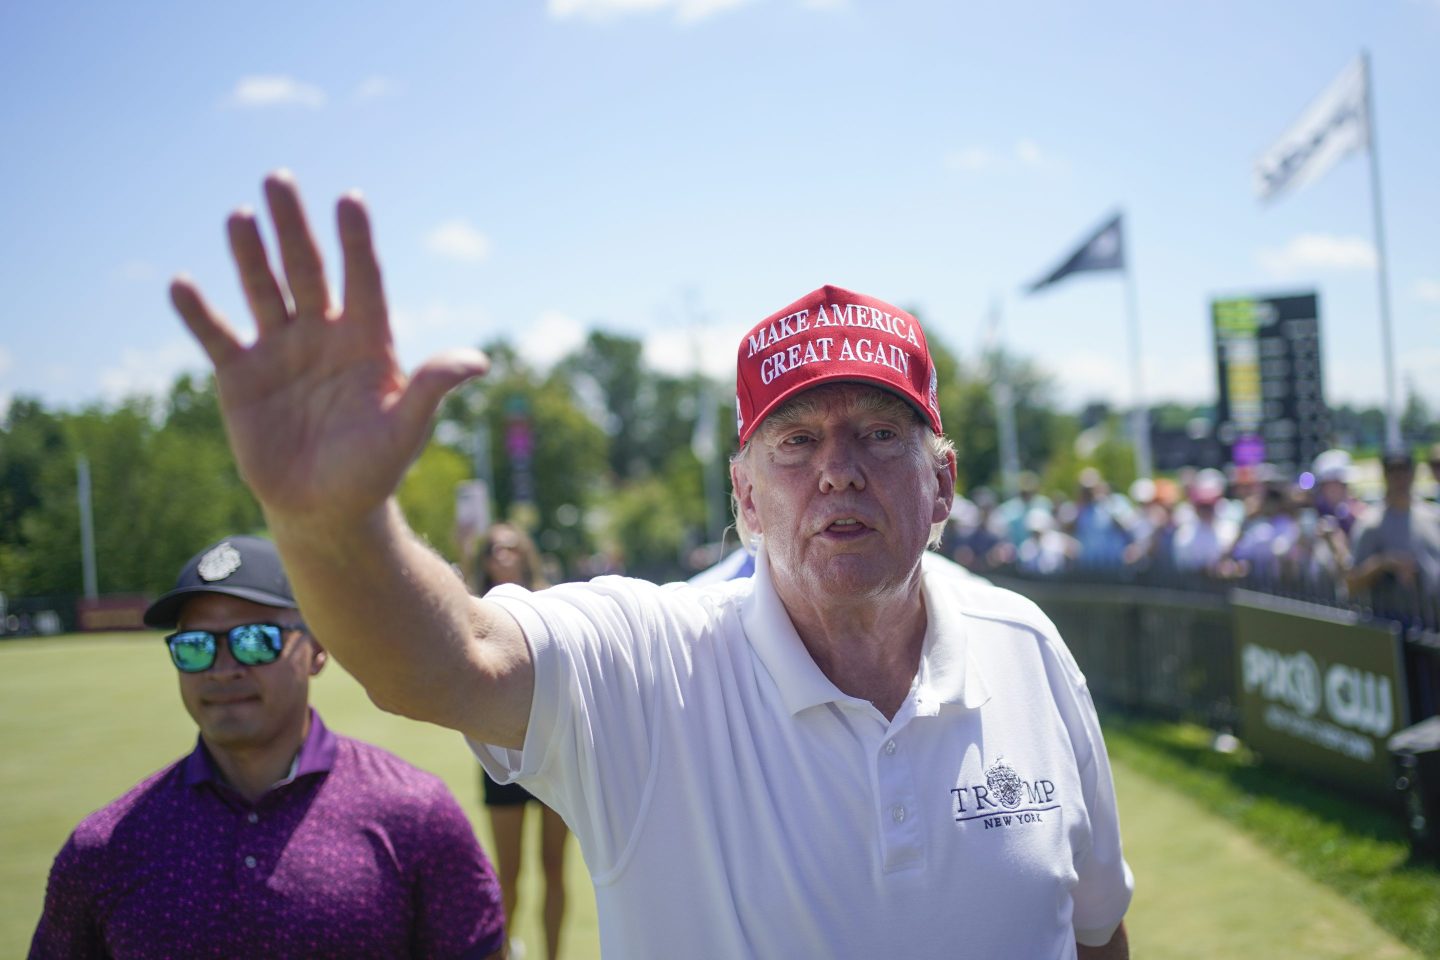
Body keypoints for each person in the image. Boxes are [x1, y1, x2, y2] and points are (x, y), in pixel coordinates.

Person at [168, 173, 1132, 958]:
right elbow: (443, 659)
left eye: (881, 434)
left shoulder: (1027, 650)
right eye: (794, 443)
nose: (837, 470)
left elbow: (1096, 937)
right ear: (745, 499)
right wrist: (329, 523)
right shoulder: (652, 663)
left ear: (943, 482)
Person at [29, 535, 506, 960]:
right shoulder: (105, 847)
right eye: (195, 645)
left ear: (316, 647)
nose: (222, 668)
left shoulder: (416, 815)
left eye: (254, 641)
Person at [472, 523, 568, 960]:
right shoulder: (472, 608)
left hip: (554, 749)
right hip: (500, 752)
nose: (505, 555)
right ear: (486, 558)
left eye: (512, 547)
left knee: (554, 867)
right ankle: (504, 952)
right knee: (507, 873)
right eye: (495, 549)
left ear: (525, 552)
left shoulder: (550, 600)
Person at [1346, 448, 1440, 620]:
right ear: (1385, 475)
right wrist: (1384, 564)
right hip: (1398, 628)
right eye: (1393, 470)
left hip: (1433, 624)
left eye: (1404, 470)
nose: (1400, 477)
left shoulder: (1433, 516)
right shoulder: (1370, 524)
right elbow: (1351, 585)